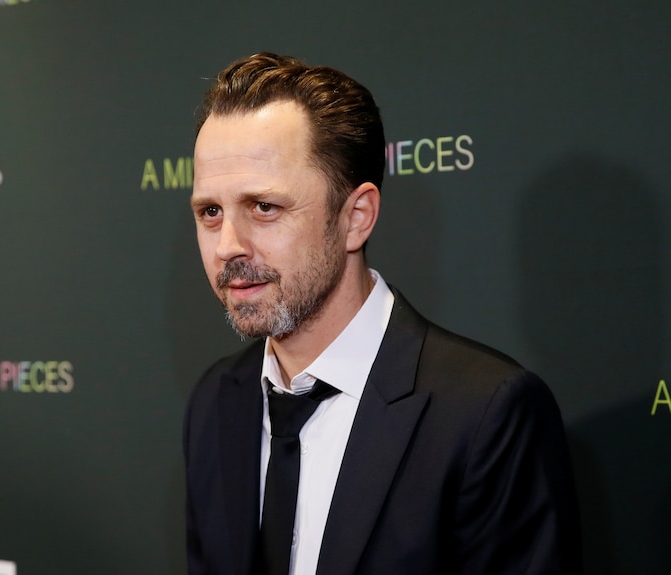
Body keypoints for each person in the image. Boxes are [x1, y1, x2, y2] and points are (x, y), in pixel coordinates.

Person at [183, 52, 581, 575]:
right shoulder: (216, 401)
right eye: (210, 212)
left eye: (264, 207)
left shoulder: (485, 413)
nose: (228, 246)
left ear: (356, 217)